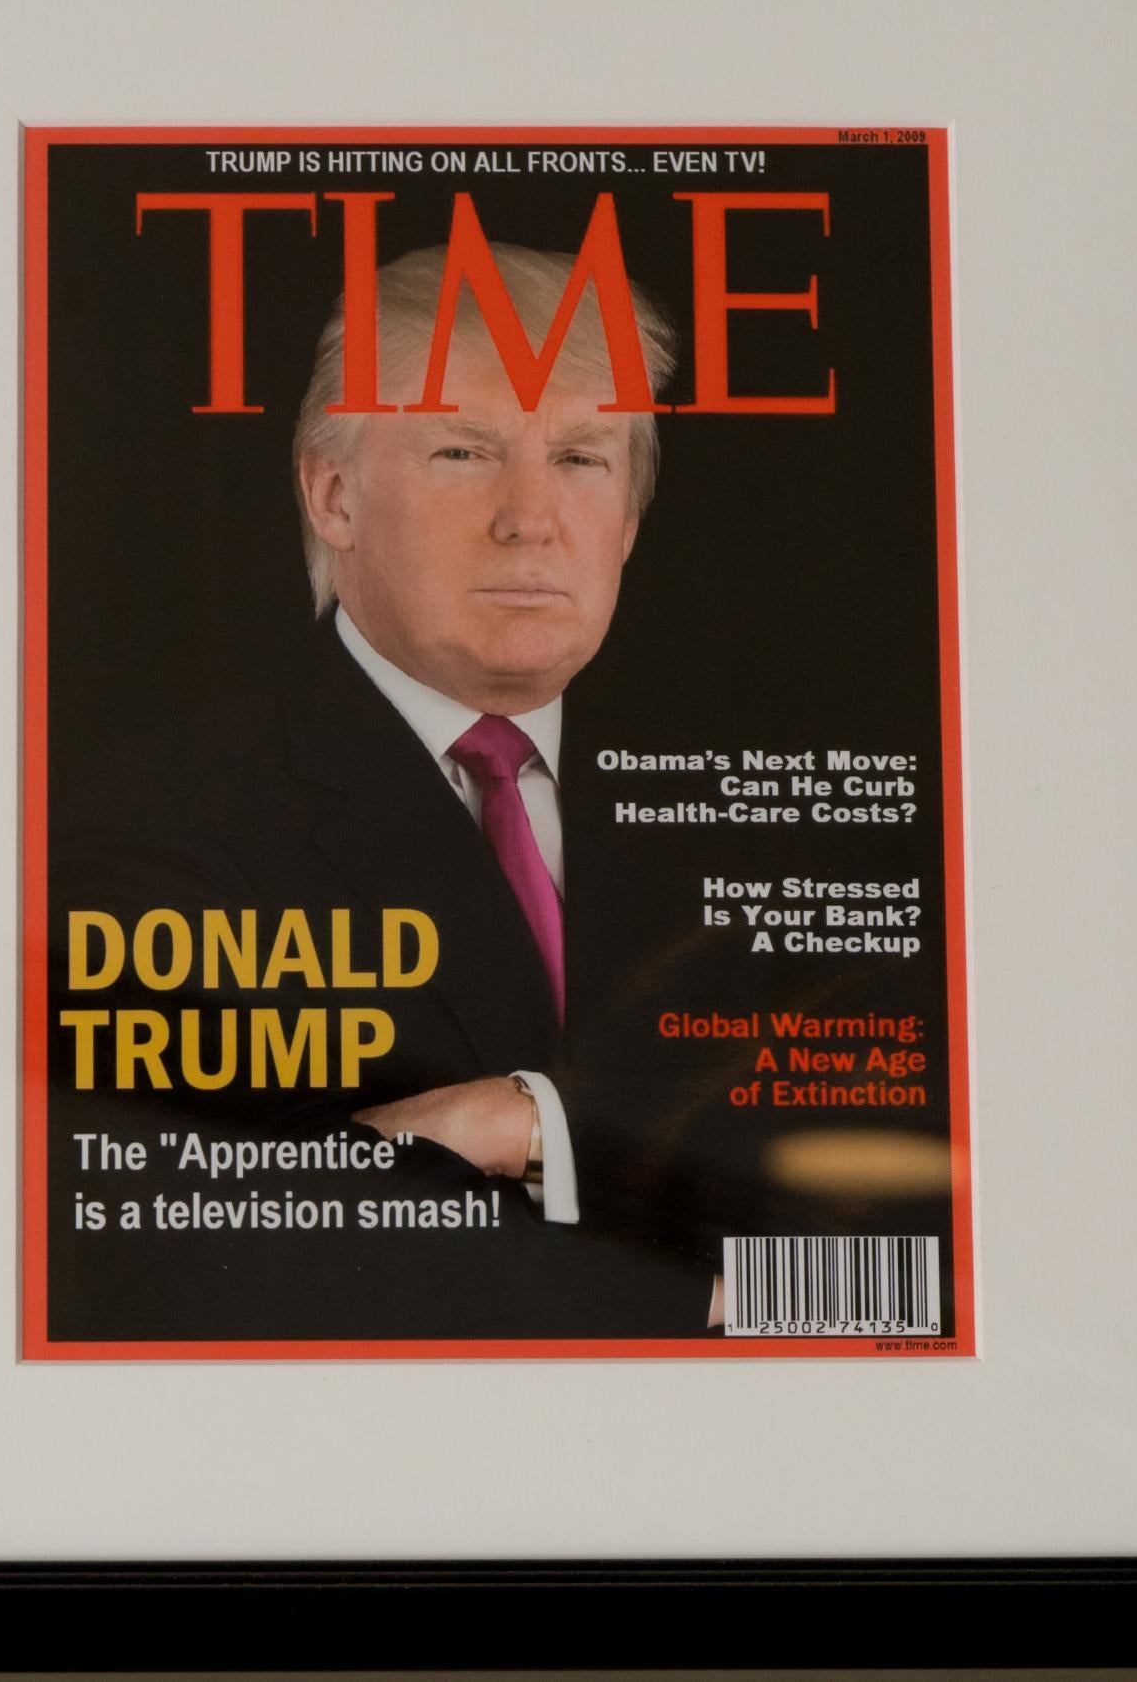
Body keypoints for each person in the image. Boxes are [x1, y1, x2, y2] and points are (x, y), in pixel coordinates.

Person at [46, 240, 727, 1341]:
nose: (531, 519)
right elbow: (177, 1254)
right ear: (333, 496)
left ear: (630, 519)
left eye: (583, 460)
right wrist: (708, 1285)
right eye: (464, 453)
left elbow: (908, 1190)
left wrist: (518, 1123)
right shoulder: (147, 827)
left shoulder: (730, 817)